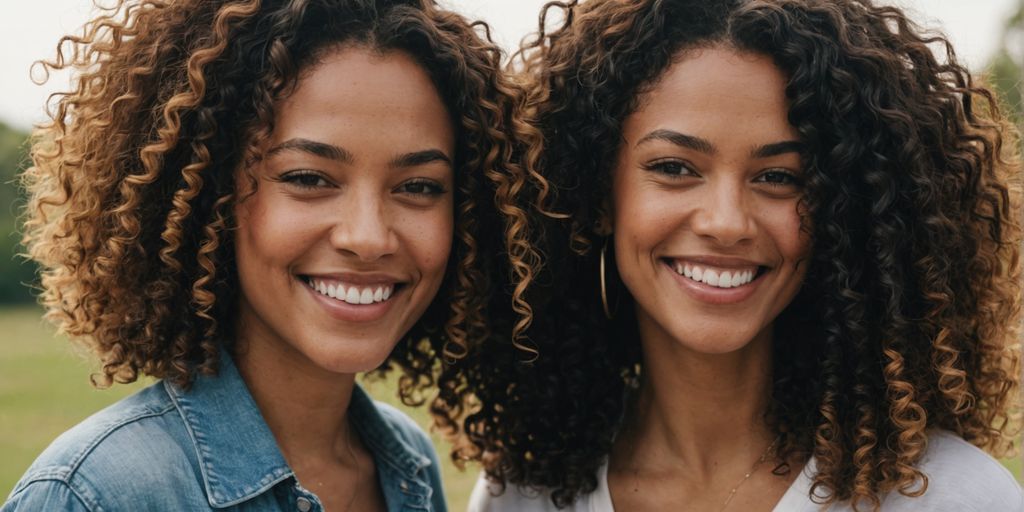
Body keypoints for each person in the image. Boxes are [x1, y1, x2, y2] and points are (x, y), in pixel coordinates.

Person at [464, 0, 1024, 510]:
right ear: (595, 194)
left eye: (779, 176)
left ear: (839, 213)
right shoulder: (522, 492)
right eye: (674, 168)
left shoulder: (950, 496)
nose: (727, 222)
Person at [4, 0, 544, 510]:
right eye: (309, 178)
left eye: (420, 186)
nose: (370, 236)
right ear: (208, 196)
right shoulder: (100, 494)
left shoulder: (407, 464)